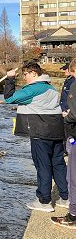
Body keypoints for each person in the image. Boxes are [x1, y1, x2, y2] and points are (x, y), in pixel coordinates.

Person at [4, 62, 68, 212]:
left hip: (40, 133)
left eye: (25, 74)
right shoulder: (51, 88)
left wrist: (10, 79)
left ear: (33, 73)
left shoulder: (33, 89)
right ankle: (66, 198)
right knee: (58, 164)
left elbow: (9, 98)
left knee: (43, 165)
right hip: (56, 131)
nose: (25, 77)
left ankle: (44, 201)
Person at [51, 58, 76, 229]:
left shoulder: (74, 85)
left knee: (73, 177)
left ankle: (73, 216)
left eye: (72, 71)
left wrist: (67, 115)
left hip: (75, 137)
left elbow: (74, 114)